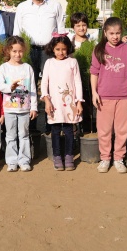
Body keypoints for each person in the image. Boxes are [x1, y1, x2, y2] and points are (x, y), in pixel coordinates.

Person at [91, 17, 127, 173]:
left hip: (124, 96)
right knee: (104, 130)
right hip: (104, 96)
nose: (115, 36)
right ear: (105, 32)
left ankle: (118, 158)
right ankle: (105, 158)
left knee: (122, 130)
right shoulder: (99, 50)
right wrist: (94, 93)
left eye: (118, 33)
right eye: (111, 33)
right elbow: (94, 73)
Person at [41, 34, 83, 171]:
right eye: (58, 49)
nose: (61, 52)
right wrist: (46, 100)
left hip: (70, 104)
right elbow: (44, 83)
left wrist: (79, 102)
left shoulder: (72, 62)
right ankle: (57, 156)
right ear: (52, 49)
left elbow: (78, 82)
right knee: (55, 130)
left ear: (68, 48)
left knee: (69, 130)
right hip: (54, 104)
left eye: (63, 49)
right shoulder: (49, 63)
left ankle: (69, 155)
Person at [13, 0, 65, 81]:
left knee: (52, 82)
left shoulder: (55, 6)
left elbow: (61, 30)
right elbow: (17, 32)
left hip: (49, 51)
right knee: (28, 83)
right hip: (28, 51)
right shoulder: (22, 7)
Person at [0, 36, 37, 172]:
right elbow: (0, 86)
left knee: (24, 135)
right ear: (8, 51)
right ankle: (12, 161)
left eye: (20, 51)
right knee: (10, 136)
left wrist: (34, 107)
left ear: (24, 51)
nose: (17, 54)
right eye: (14, 51)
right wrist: (11, 87)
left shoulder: (27, 68)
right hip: (9, 109)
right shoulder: (4, 68)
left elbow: (32, 89)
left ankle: (24, 160)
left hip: (25, 109)